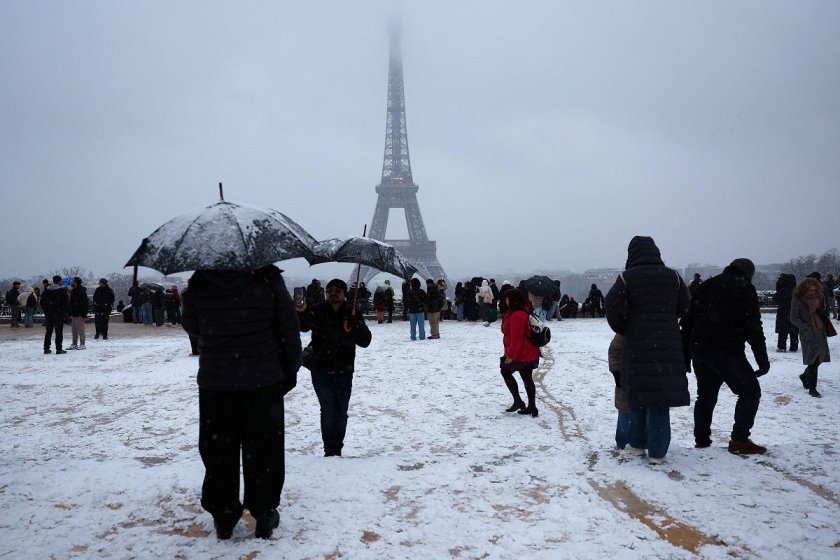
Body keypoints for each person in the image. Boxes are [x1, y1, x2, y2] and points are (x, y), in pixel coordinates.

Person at [182, 264, 301, 540]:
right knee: (264, 450)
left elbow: (191, 325)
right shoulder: (268, 279)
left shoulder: (201, 281)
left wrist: (220, 333)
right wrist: (290, 368)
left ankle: (223, 514)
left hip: (216, 380)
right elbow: (288, 325)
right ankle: (264, 510)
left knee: (218, 451)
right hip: (263, 378)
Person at [604, 236, 690, 465]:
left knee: (637, 396)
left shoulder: (627, 277)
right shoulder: (673, 276)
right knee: (660, 399)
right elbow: (684, 306)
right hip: (668, 344)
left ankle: (637, 444)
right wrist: (667, 318)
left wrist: (624, 327)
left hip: (636, 343)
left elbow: (611, 305)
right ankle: (658, 452)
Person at [682, 258, 770, 455]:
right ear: (748, 273)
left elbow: (688, 321)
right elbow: (753, 327)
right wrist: (762, 360)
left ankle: (702, 440)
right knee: (750, 392)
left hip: (700, 349)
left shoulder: (706, 285)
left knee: (705, 396)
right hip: (727, 350)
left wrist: (687, 353)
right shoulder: (744, 288)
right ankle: (739, 440)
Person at [296, 278, 371, 457]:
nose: (333, 293)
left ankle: (337, 445)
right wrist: (302, 311)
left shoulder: (353, 312)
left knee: (341, 412)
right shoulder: (317, 310)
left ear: (345, 294)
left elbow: (365, 341)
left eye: (338, 290)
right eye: (330, 290)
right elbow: (303, 326)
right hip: (321, 370)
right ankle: (330, 449)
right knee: (328, 410)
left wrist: (357, 324)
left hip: (344, 369)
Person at [499, 288, 540, 417]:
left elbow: (516, 339)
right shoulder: (522, 312)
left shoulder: (516, 315)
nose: (505, 301)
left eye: (507, 299)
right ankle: (532, 406)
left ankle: (518, 401)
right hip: (529, 352)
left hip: (522, 353)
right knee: (527, 377)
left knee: (505, 371)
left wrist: (511, 356)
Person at [789, 277, 831, 398]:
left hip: (820, 331)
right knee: (813, 361)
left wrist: (825, 318)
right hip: (808, 334)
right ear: (804, 289)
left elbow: (824, 309)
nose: (812, 292)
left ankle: (804, 376)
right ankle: (813, 388)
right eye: (810, 290)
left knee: (819, 359)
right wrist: (805, 327)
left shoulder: (820, 296)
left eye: (814, 290)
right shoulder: (798, 298)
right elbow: (793, 318)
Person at [608, 334, 631, 450]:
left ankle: (643, 443)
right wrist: (617, 373)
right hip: (626, 377)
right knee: (624, 409)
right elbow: (613, 351)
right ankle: (623, 443)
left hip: (650, 379)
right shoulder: (625, 329)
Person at [41, 275, 69, 354]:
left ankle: (46, 348)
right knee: (59, 332)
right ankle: (58, 349)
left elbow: (42, 302)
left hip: (49, 314)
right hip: (58, 314)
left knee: (48, 331)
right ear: (59, 281)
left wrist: (46, 311)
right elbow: (66, 304)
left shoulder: (46, 291)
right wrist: (63, 312)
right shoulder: (62, 291)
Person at [773, 273, 798, 352]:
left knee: (782, 331)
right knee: (794, 331)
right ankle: (794, 346)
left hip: (783, 313)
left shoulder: (782, 291)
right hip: (794, 313)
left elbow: (775, 298)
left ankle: (782, 346)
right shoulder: (796, 291)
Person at [68, 277, 88, 350]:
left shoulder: (81, 291)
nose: (71, 282)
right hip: (74, 313)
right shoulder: (73, 291)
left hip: (79, 314)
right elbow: (71, 303)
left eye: (73, 281)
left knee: (80, 330)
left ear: (76, 282)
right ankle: (74, 343)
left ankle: (82, 344)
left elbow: (85, 304)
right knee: (74, 330)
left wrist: (84, 314)